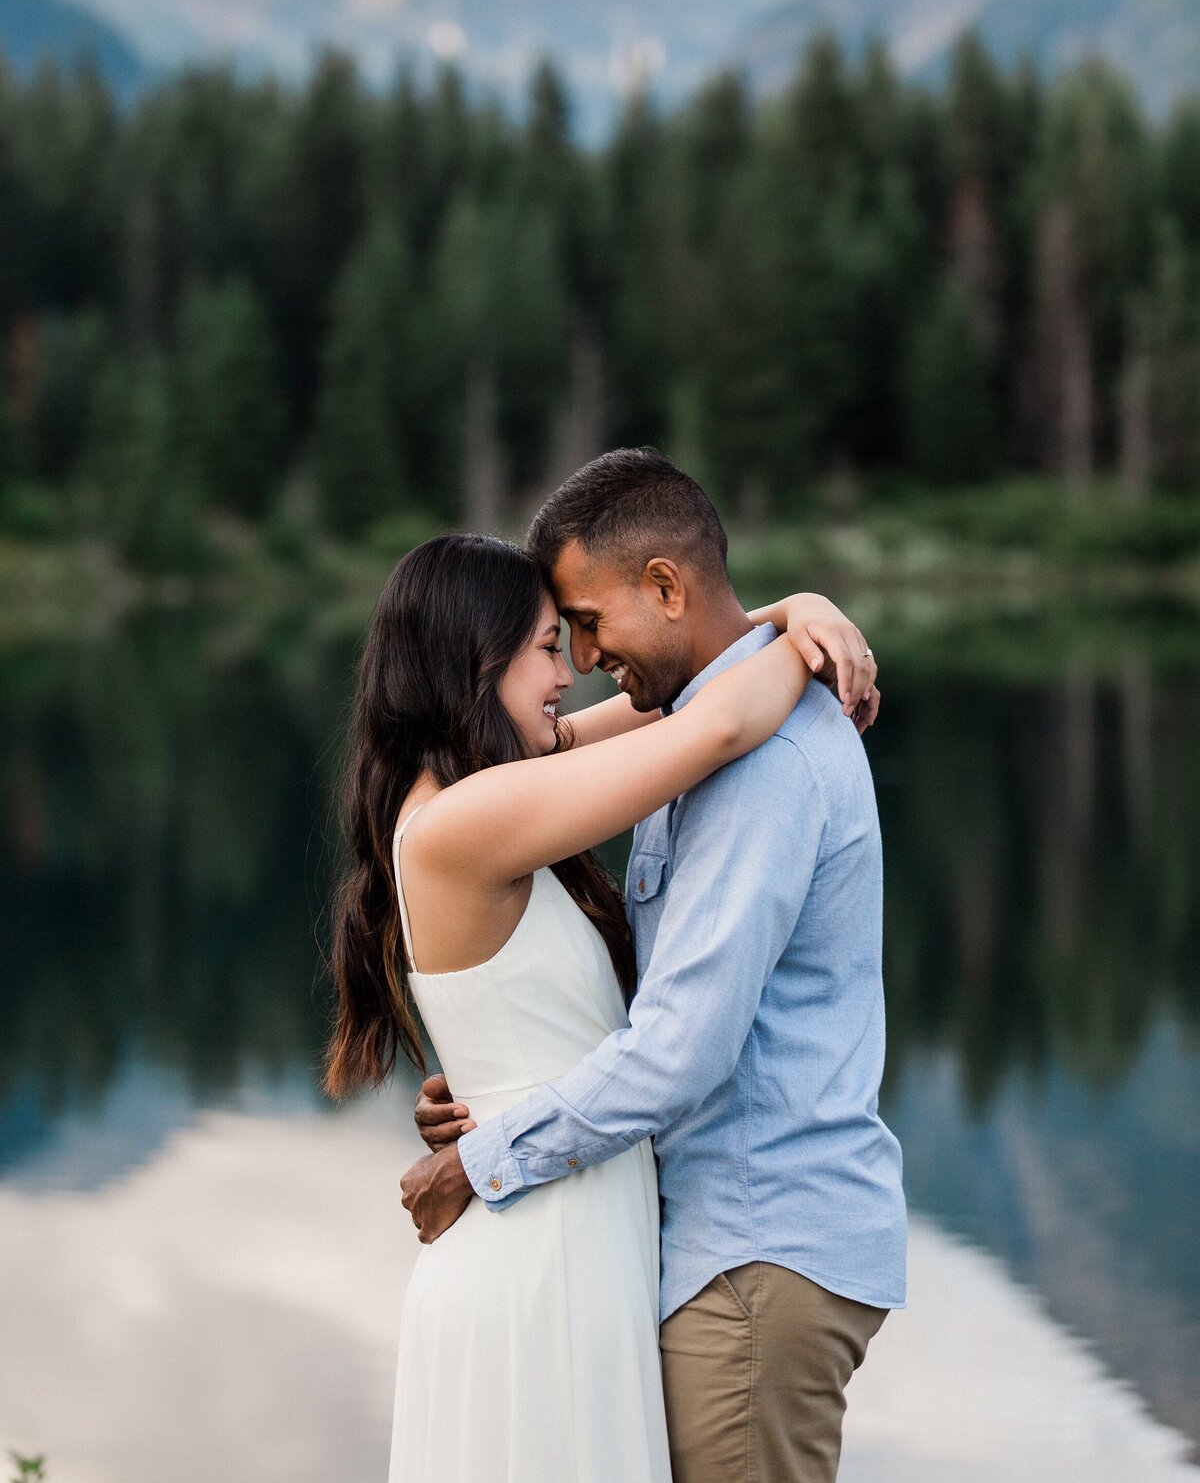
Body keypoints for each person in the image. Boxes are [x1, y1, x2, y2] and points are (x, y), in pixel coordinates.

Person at [323, 499, 878, 1483]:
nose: (570, 670)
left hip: (580, 1227)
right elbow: (710, 731)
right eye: (548, 646)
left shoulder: (492, 786)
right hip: (544, 1249)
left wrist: (785, 614)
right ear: (475, 665)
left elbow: (685, 698)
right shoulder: (471, 815)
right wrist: (798, 627)